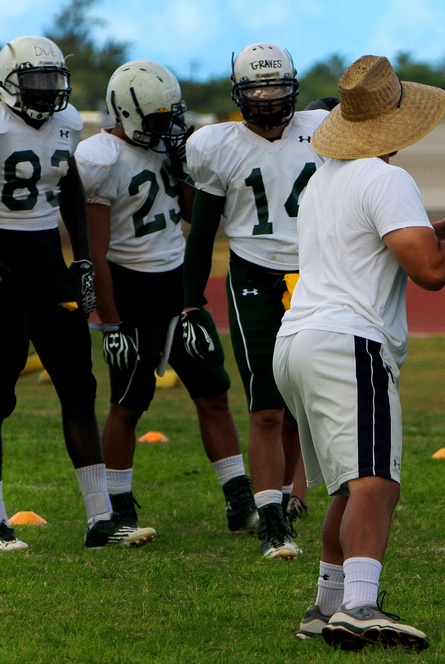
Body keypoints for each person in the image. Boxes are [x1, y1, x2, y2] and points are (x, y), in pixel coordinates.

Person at [273, 55, 445, 649]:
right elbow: (429, 270)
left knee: (348, 487)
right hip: (346, 342)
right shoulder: (385, 178)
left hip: (297, 340)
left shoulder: (324, 177)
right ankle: (359, 604)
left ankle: (325, 605)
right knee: (377, 482)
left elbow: (377, 244)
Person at [75, 60, 257, 536]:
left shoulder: (168, 149)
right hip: (129, 285)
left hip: (176, 284)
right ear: (126, 112)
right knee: (130, 402)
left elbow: (200, 218)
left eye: (170, 118)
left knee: (213, 392)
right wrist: (110, 322)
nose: (166, 129)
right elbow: (95, 250)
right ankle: (120, 509)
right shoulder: (100, 157)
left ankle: (240, 500)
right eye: (156, 120)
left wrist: (186, 170)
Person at [0, 36, 155, 550]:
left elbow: (67, 185)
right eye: (34, 81)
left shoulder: (67, 124)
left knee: (78, 388)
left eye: (51, 81)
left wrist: (84, 257)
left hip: (48, 263)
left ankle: (101, 519)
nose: (45, 92)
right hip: (1, 263)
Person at [183, 42, 329, 559]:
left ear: (294, 88)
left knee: (299, 405)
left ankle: (287, 497)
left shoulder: (322, 127)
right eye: (256, 91)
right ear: (238, 94)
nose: (267, 103)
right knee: (266, 405)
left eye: (275, 90)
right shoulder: (217, 144)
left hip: (316, 275)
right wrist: (188, 299)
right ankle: (270, 519)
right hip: (254, 275)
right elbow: (202, 233)